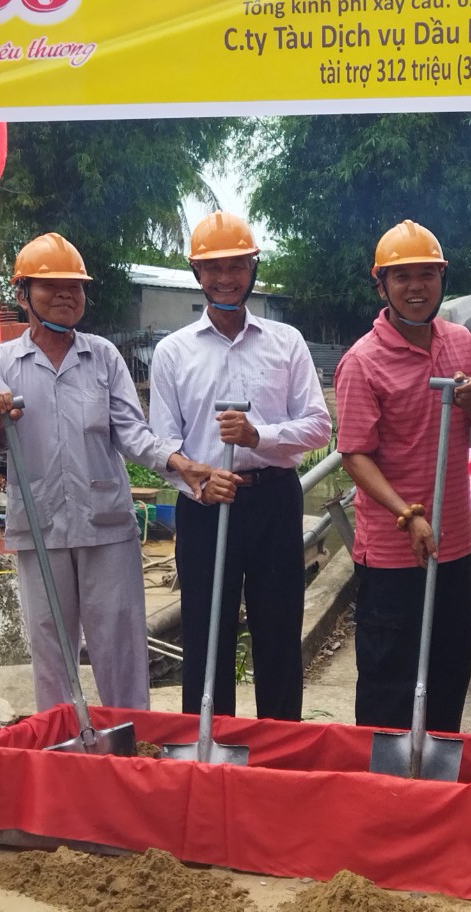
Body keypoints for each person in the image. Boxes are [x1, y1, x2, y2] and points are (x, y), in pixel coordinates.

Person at [0, 232, 207, 712]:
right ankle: (64, 736)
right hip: (41, 524)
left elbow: (132, 432)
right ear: (23, 294)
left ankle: (131, 736)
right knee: (50, 643)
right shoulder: (2, 362)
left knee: (120, 642)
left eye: (74, 287)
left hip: (106, 525)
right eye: (51, 287)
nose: (65, 296)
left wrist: (176, 461)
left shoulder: (102, 357)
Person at [148, 211, 330, 722]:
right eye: (213, 267)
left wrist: (258, 437)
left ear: (253, 268)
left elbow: (319, 426)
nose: (225, 278)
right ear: (196, 273)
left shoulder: (286, 342)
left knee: (278, 631)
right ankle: (207, 744)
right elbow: (162, 442)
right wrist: (198, 481)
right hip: (206, 507)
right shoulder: (173, 352)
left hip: (274, 498)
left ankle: (280, 746)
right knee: (206, 635)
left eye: (237, 265)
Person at [334, 219, 471, 732]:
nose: (416, 287)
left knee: (450, 671)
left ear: (441, 279)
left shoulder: (460, 342)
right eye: (402, 276)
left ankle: (437, 769)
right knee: (391, 681)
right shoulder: (362, 361)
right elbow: (354, 454)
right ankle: (386, 774)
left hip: (451, 545)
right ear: (381, 285)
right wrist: (406, 515)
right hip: (392, 554)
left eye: (427, 275)